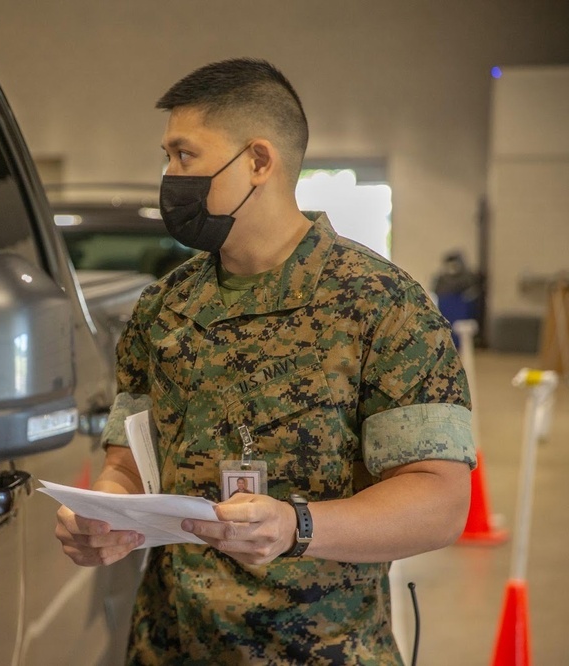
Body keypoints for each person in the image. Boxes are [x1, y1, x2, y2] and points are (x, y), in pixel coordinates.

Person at [54, 58, 475, 664]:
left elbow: (439, 502)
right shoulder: (164, 309)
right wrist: (103, 518)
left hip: (321, 648)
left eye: (184, 155)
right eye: (167, 157)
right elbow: (129, 463)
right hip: (170, 645)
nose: (170, 176)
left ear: (258, 160)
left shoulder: (382, 305)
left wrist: (297, 527)